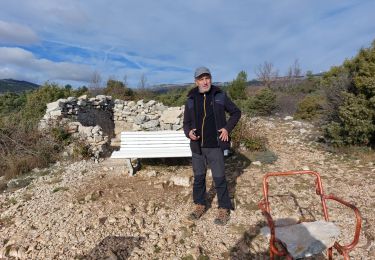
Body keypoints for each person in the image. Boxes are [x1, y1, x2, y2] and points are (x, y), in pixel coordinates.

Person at [183, 66, 241, 225]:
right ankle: (200, 205)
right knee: (199, 178)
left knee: (219, 178)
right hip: (197, 147)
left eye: (207, 78)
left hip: (215, 145)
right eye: (201, 79)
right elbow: (186, 123)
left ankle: (223, 208)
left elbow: (236, 112)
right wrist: (188, 132)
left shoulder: (220, 95)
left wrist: (227, 129)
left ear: (211, 79)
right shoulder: (191, 99)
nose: (205, 81)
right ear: (196, 82)